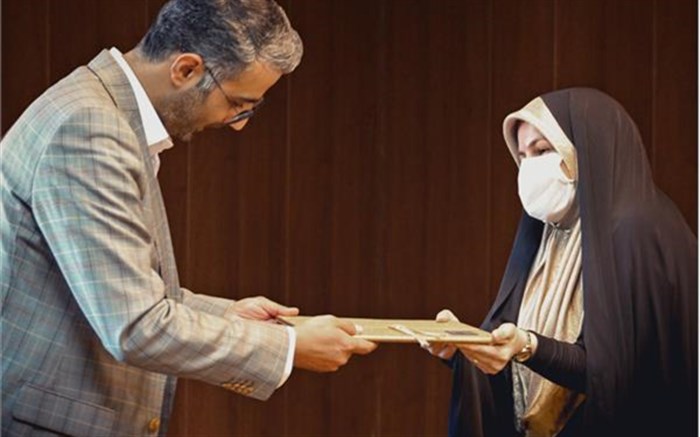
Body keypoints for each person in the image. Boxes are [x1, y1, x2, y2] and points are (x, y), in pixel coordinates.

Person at [0, 0, 376, 435]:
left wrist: (227, 315)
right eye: (238, 104)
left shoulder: (98, 110)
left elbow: (116, 287)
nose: (238, 124)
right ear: (186, 69)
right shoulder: (91, 129)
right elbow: (136, 327)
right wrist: (287, 347)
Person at [426, 88, 697, 436]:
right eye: (522, 156)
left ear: (590, 148)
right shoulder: (544, 233)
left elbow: (619, 378)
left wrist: (528, 346)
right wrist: (465, 348)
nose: (529, 167)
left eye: (541, 150)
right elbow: (514, 367)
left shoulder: (640, 229)